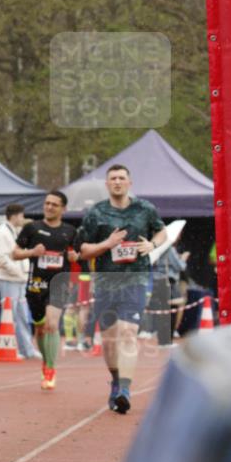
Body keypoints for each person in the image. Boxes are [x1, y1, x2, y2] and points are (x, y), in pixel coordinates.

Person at [78, 164, 167, 414]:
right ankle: (116, 381)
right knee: (109, 342)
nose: (117, 182)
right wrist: (107, 244)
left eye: (121, 178)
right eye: (113, 178)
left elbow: (162, 232)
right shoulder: (96, 213)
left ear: (129, 182)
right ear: (107, 184)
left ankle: (125, 391)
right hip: (105, 284)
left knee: (128, 333)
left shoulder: (144, 209)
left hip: (135, 281)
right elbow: (83, 250)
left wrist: (152, 245)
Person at [14, 190, 77, 390]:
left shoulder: (70, 231)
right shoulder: (32, 228)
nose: (49, 207)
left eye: (54, 204)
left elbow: (78, 255)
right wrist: (32, 252)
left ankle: (50, 368)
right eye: (47, 203)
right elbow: (14, 253)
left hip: (59, 283)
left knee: (52, 324)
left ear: (63, 209)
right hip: (36, 284)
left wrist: (75, 257)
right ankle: (45, 360)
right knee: (40, 328)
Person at [0, 203, 41, 360]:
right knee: (11, 315)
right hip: (8, 279)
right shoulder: (2, 232)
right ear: (14, 216)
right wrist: (18, 272)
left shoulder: (14, 231)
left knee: (22, 315)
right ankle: (14, 347)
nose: (23, 218)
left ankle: (27, 348)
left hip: (19, 279)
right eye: (21, 215)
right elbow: (1, 258)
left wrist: (22, 273)